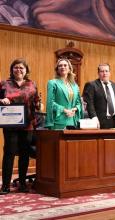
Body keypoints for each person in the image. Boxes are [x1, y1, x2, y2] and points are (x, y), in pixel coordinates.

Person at [0, 58, 40, 194]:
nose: (18, 70)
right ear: (12, 70)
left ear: (26, 70)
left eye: (21, 68)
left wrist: (40, 105)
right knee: (9, 153)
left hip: (28, 125)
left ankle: (22, 183)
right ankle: (5, 185)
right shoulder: (4, 84)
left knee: (24, 154)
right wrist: (1, 100)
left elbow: (36, 103)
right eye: (16, 67)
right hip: (10, 125)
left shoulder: (32, 84)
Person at [83, 63, 115, 129]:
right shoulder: (92, 85)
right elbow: (89, 104)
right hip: (98, 121)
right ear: (98, 73)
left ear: (109, 72)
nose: (104, 73)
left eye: (106, 71)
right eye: (102, 71)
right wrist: (94, 117)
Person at [45, 58, 83, 129]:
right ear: (57, 70)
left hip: (72, 121)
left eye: (65, 65)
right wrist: (65, 110)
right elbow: (50, 103)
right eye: (60, 66)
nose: (63, 67)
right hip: (58, 121)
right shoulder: (52, 83)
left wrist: (74, 109)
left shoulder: (75, 85)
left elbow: (79, 103)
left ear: (69, 69)